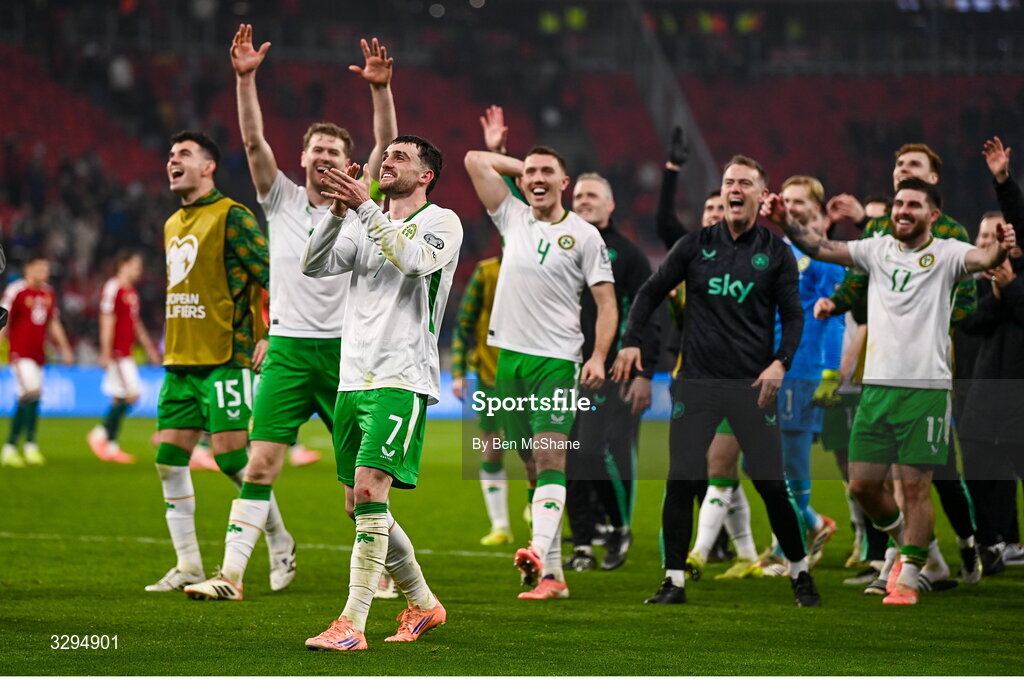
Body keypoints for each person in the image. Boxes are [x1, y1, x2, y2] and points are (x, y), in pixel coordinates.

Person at [182, 25, 397, 602]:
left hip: (350, 354)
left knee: (359, 487)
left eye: (335, 151)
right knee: (260, 465)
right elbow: (252, 142)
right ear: (301, 157)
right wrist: (244, 78)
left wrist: (380, 91)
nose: (324, 156)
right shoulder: (278, 197)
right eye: (317, 149)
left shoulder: (359, 203)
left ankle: (377, 576)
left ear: (349, 165)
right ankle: (230, 576)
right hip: (287, 349)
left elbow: (387, 145)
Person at [766, 177, 1016, 605]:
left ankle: (911, 575)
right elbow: (821, 248)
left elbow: (985, 256)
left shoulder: (947, 254)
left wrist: (1001, 244)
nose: (902, 210)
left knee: (915, 488)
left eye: (913, 205)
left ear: (932, 215)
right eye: (899, 203)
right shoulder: (877, 248)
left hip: (925, 389)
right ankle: (915, 547)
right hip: (877, 389)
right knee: (861, 486)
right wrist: (786, 224)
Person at [614, 155, 820, 607]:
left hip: (752, 386)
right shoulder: (694, 245)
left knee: (770, 485)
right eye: (729, 181)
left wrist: (780, 362)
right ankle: (674, 580)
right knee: (680, 481)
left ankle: (801, 573)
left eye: (745, 182)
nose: (735, 188)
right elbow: (649, 292)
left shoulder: (777, 252)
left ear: (761, 196)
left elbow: (794, 314)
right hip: (697, 385)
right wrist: (631, 342)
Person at [302, 135, 460, 650]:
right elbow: (314, 265)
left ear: (425, 175)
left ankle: (352, 623)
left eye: (399, 158)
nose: (386, 162)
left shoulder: (442, 222)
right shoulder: (363, 220)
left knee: (371, 492)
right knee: (356, 504)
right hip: (354, 378)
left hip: (402, 375)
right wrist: (334, 212)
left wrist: (365, 207)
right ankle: (422, 603)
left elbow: (413, 261)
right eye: (384, 156)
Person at [821, 143, 980, 590]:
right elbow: (857, 280)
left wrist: (925, 320)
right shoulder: (881, 229)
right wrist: (837, 302)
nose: (900, 172)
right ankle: (908, 559)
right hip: (884, 374)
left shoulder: (951, 236)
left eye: (911, 167)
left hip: (927, 373)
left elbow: (965, 304)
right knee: (886, 479)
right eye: (897, 166)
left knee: (937, 480)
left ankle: (965, 545)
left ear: (933, 181)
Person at [464, 137, 617, 600]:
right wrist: (523, 167)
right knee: (531, 466)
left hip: (556, 360)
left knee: (551, 455)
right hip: (508, 361)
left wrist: (597, 356)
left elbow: (606, 304)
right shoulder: (510, 215)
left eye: (547, 172)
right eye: (529, 173)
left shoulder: (586, 236)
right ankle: (552, 576)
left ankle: (536, 548)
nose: (536, 179)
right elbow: (474, 159)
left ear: (565, 183)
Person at [146, 130, 284, 593]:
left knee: (231, 460)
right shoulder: (170, 225)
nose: (173, 160)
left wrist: (269, 333)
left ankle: (279, 540)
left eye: (183, 153)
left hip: (225, 358)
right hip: (180, 360)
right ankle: (187, 564)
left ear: (208, 167)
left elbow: (272, 278)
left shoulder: (233, 217)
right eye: (170, 154)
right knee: (168, 459)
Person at [563, 172, 660, 572]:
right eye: (579, 195)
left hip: (612, 370)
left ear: (610, 205)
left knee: (597, 451)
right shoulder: (560, 244)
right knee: (566, 456)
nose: (584, 201)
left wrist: (645, 371)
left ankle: (618, 527)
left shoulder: (628, 254)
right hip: (562, 366)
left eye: (593, 196)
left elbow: (650, 313)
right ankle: (583, 542)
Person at [451, 255, 512, 545]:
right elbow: (464, 323)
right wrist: (458, 371)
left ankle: (535, 511)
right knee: (493, 446)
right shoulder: (486, 271)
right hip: (490, 375)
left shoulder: (545, 266)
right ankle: (500, 524)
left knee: (539, 452)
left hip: (534, 375)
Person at [87, 251, 161, 464]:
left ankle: (111, 445)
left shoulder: (131, 292)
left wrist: (149, 347)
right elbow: (107, 319)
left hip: (126, 351)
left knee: (120, 397)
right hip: (117, 353)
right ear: (123, 265)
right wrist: (106, 350)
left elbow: (135, 323)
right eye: (135, 265)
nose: (139, 271)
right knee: (132, 394)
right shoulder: (114, 287)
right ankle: (100, 434)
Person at [0, 254, 74, 467]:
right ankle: (15, 446)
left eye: (46, 268)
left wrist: (65, 348)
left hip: (38, 355)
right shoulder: (16, 290)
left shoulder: (48, 293)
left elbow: (53, 323)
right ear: (28, 269)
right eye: (40, 268)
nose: (44, 272)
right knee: (31, 392)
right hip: (19, 353)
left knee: (32, 396)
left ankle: (24, 446)